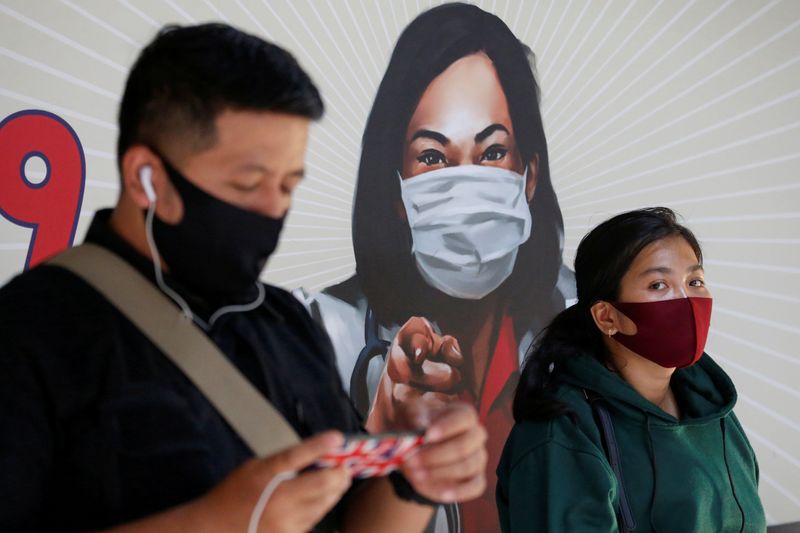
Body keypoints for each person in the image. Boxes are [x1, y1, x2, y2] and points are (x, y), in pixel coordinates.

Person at [0, 23, 488, 532]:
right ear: (148, 178)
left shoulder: (289, 325)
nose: (273, 209)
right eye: (249, 183)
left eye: (287, 185)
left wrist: (415, 478)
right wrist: (212, 523)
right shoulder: (28, 335)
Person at [295, 4, 573, 532]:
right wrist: (380, 436)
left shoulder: (584, 320)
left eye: (492, 152)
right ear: (397, 190)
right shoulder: (321, 337)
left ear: (529, 176)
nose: (465, 184)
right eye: (432, 158)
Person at [497, 207, 766, 532]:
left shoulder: (714, 407)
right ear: (607, 317)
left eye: (694, 281)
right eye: (658, 285)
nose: (686, 299)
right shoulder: (563, 435)